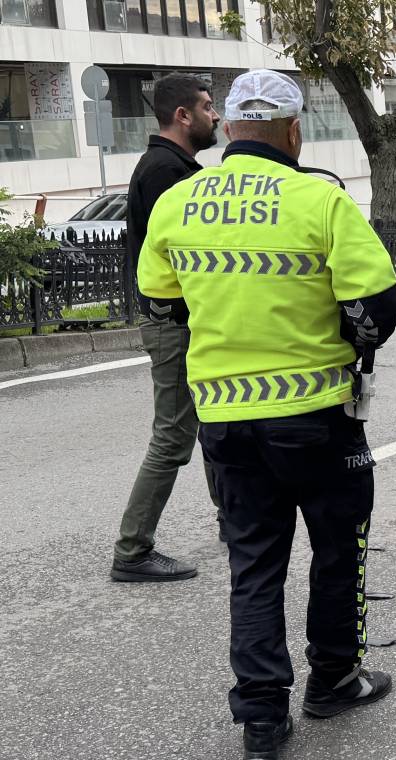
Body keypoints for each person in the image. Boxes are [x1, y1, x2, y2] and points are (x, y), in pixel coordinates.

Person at [137, 70, 396, 760]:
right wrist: (347, 342)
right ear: (293, 131)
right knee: (337, 550)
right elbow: (376, 308)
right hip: (318, 417)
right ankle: (334, 679)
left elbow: (160, 300)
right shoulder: (320, 199)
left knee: (253, 564)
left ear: (227, 128)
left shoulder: (178, 201)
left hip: (225, 419)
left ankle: (261, 721)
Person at [111, 74, 220, 583]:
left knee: (217, 419)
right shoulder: (164, 172)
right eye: (207, 106)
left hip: (184, 322)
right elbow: (182, 257)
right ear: (183, 115)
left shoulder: (173, 166)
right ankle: (132, 550)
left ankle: (232, 518)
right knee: (173, 437)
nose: (214, 115)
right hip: (173, 324)